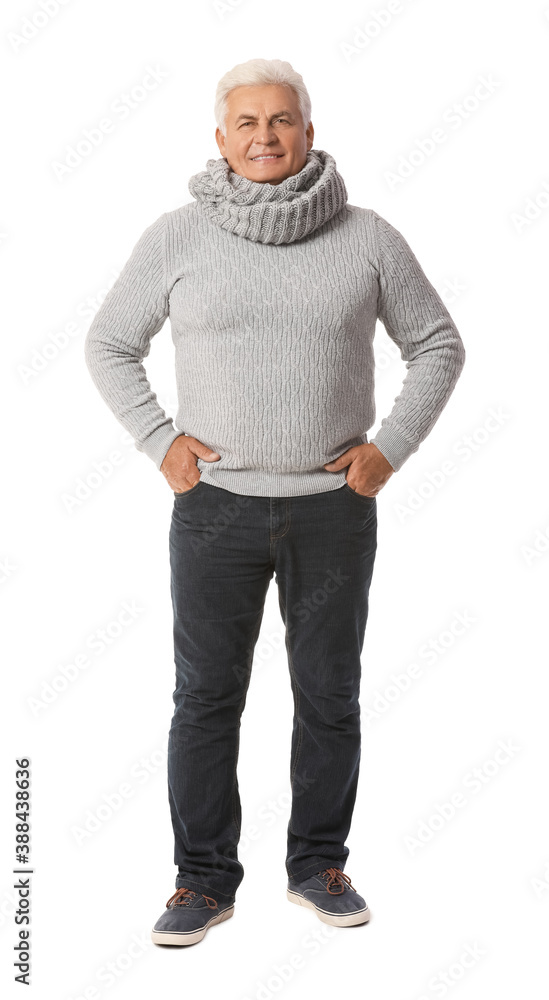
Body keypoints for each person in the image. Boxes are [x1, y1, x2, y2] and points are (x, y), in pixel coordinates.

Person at [84, 57, 466, 947]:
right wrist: (160, 441)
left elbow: (438, 345)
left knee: (328, 695)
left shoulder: (368, 236)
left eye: (282, 121)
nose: (264, 137)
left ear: (307, 133)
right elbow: (109, 343)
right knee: (206, 698)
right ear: (220, 139)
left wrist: (387, 452)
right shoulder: (177, 237)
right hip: (213, 510)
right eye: (246, 123)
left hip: (332, 511)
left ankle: (316, 866)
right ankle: (203, 881)